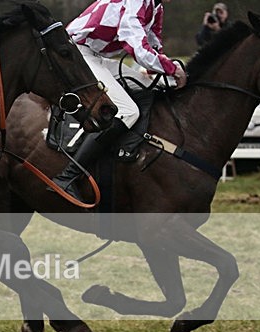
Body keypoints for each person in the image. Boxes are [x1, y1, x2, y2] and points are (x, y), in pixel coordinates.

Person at [51, 0, 187, 201]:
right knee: (129, 111)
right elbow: (135, 45)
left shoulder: (156, 7)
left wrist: (163, 70)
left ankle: (129, 147)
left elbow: (153, 43)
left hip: (95, 56)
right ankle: (67, 176)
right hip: (76, 54)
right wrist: (172, 69)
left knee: (151, 86)